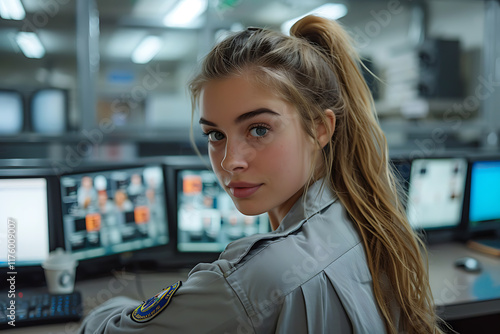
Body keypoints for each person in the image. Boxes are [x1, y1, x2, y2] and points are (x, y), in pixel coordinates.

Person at [79, 15, 445, 333]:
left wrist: (112, 306)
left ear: (320, 128)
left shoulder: (254, 279)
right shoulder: (363, 220)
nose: (229, 161)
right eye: (215, 135)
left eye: (259, 129)